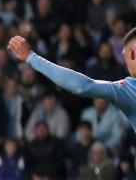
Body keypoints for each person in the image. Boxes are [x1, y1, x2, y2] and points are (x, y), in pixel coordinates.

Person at [8, 26, 136, 136]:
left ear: (132, 54)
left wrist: (31, 57)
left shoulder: (129, 89)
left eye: (124, 56)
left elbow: (82, 86)